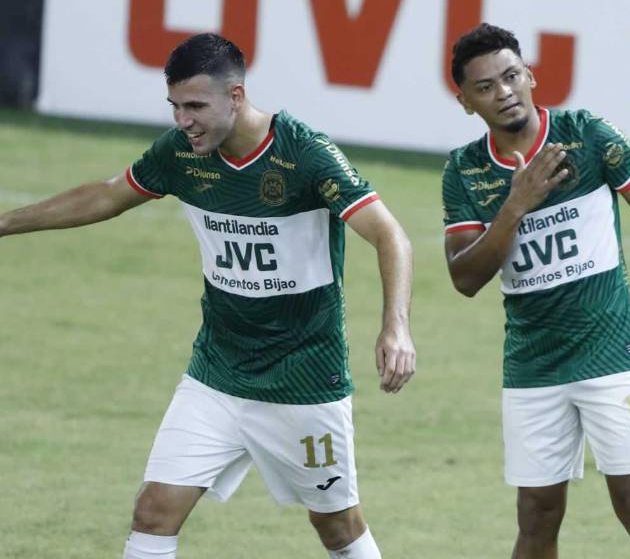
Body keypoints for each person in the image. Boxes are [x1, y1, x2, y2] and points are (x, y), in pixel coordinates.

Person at [0, 33, 416, 559]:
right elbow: (107, 196)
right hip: (217, 374)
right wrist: (5, 223)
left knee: (337, 526)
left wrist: (395, 326)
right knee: (153, 511)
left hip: (305, 379)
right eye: (175, 106)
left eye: (195, 106)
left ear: (236, 97)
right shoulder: (180, 155)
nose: (183, 121)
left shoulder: (304, 155)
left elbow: (390, 236)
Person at [442, 23, 630, 558]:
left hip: (610, 353)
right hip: (532, 365)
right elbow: (465, 277)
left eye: (510, 76)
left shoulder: (586, 135)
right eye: (485, 87)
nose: (502, 92)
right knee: (536, 516)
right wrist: (515, 205)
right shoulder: (465, 170)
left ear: (530, 76)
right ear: (466, 102)